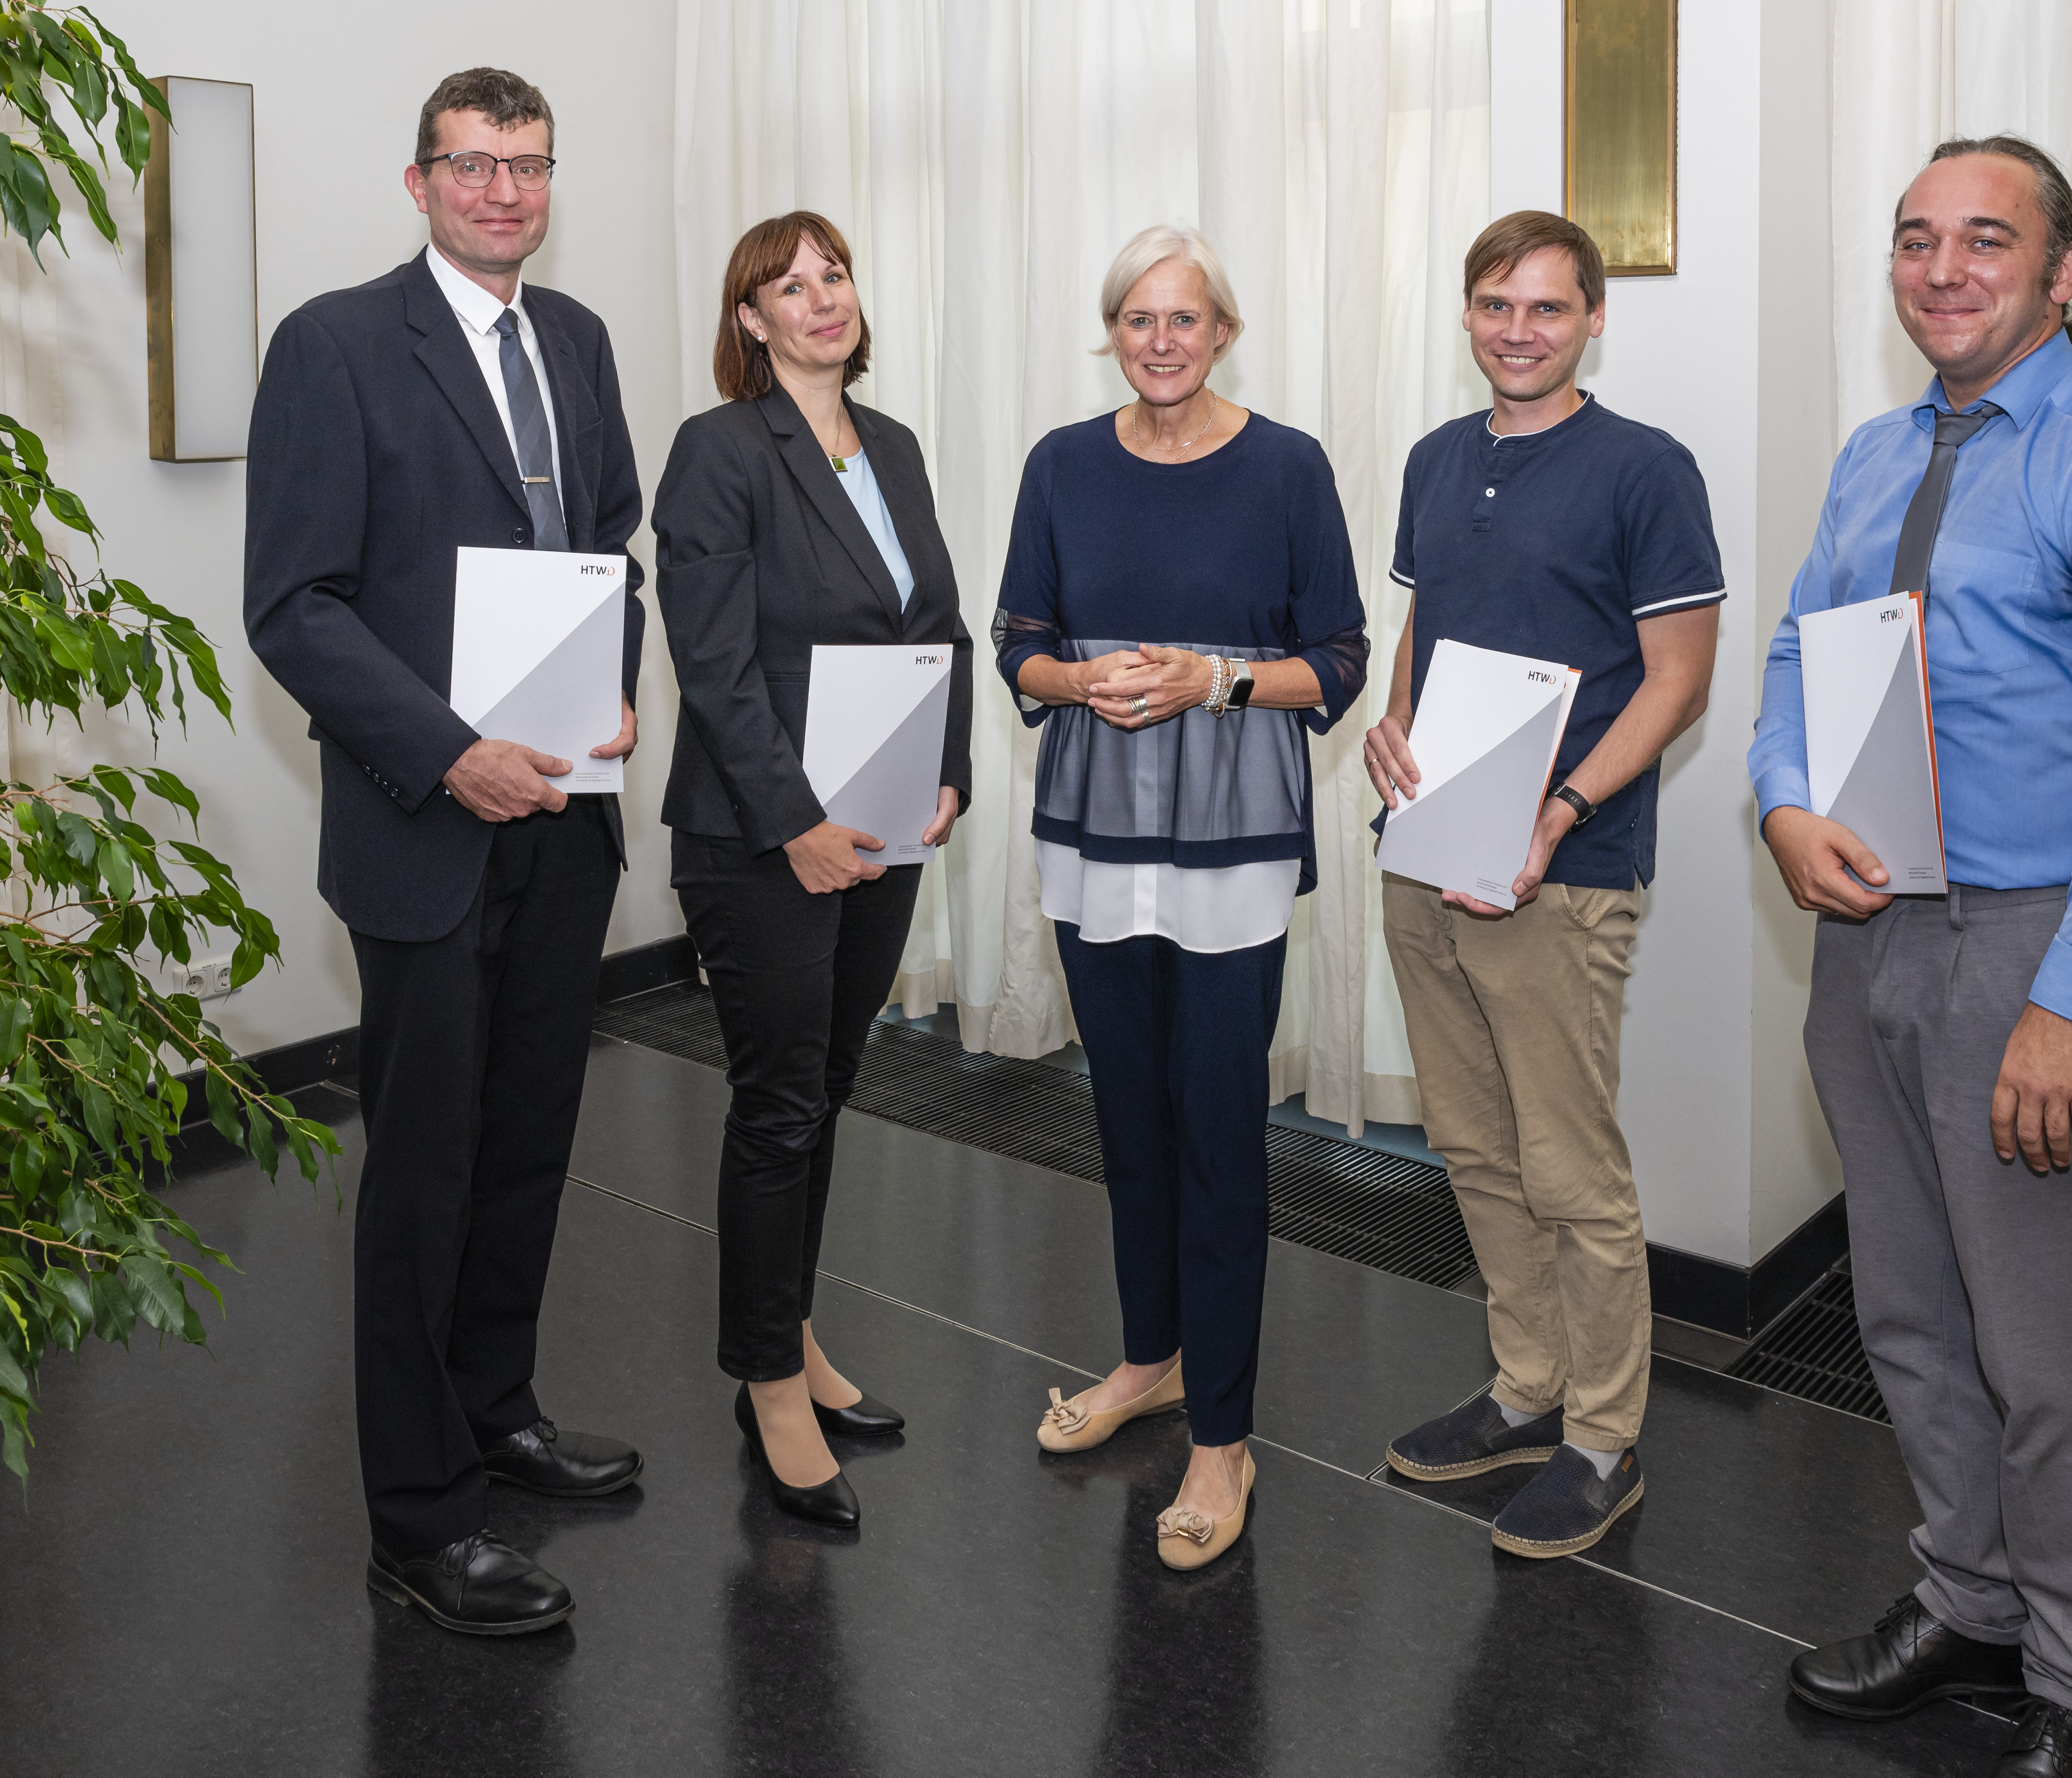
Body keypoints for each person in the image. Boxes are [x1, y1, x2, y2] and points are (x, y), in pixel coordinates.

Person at [1752, 136, 2072, 1778]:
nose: (1944, 269)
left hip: (2044, 949)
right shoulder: (1877, 454)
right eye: (1916, 240)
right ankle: (1971, 1601)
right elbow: (1795, 654)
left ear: (2061, 270)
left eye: (1984, 240)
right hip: (1875, 932)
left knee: (2050, 1352)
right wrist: (1781, 805)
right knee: (1908, 1316)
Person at [244, 67, 646, 1636]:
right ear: (418, 181)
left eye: (528, 165)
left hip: (566, 819)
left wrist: (615, 669)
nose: (503, 191)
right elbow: (295, 607)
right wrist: (446, 750)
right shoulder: (335, 347)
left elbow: (612, 547)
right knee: (423, 1172)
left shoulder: (582, 344)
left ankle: (498, 1412)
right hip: (428, 825)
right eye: (473, 166)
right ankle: (419, 1519)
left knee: (531, 1143)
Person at [996, 225, 1367, 1571]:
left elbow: (1340, 658)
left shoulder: (1286, 467)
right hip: (1096, 839)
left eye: (1187, 319)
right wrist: (1077, 683)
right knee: (1129, 1123)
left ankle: (1225, 1435)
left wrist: (1216, 681)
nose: (1163, 341)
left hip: (1232, 846)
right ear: (1114, 332)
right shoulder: (1061, 464)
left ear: (1223, 330)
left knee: (1216, 1136)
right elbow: (1017, 640)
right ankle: (1148, 1357)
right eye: (1139, 320)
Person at [1366, 211, 1724, 1560]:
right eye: (1496, 306)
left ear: (1591, 320)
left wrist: (1560, 810)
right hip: (1430, 855)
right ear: (1466, 315)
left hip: (1560, 874)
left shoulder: (1644, 469)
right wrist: (1394, 735)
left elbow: (1681, 677)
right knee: (1473, 1145)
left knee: (1573, 1169)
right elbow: (1428, 624)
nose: (1520, 329)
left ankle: (1601, 1437)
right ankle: (1526, 1388)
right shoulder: (1435, 461)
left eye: (1547, 308)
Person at [651, 211, 971, 1532]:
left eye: (833, 272)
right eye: (789, 284)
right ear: (750, 320)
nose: (820, 296)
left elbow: (934, 620)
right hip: (761, 840)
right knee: (779, 1103)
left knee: (828, 1089)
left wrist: (950, 770)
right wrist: (795, 819)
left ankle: (795, 1331)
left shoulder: (887, 446)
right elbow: (713, 664)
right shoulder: (720, 453)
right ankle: (768, 1380)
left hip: (885, 831)